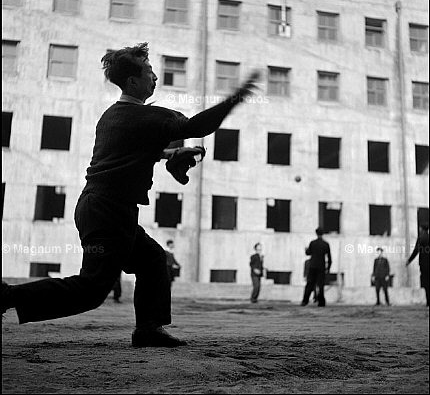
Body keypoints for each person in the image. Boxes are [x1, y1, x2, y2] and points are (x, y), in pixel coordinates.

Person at [1, 42, 260, 347]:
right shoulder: (143, 116)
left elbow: (130, 153)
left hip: (105, 208)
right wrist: (235, 99)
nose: (155, 79)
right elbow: (196, 126)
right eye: (150, 73)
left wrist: (171, 153)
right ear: (133, 81)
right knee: (91, 289)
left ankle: (148, 328)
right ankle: (6, 297)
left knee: (152, 259)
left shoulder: (113, 116)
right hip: (107, 211)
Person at [301, 227, 332, 307]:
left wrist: (306, 250)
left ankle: (305, 301)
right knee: (321, 285)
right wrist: (328, 268)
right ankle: (321, 302)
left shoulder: (313, 243)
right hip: (321, 266)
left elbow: (308, 253)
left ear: (316, 233)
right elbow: (329, 257)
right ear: (323, 233)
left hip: (312, 266)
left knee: (310, 284)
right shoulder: (326, 244)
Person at [406, 223, 429, 306]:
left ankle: (428, 301)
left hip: (424, 264)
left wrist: (409, 260)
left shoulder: (421, 238)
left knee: (426, 283)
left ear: (422, 229)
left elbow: (416, 251)